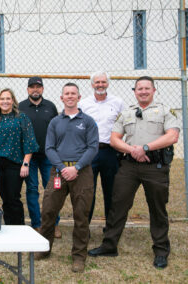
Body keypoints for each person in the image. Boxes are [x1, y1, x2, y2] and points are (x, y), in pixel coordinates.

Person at [88, 76, 180, 269]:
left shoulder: (164, 111)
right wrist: (134, 151)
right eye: (140, 89)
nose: (143, 91)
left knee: (157, 209)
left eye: (147, 88)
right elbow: (114, 139)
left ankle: (161, 251)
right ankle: (109, 245)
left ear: (154, 90)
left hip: (155, 167)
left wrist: (145, 147)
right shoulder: (127, 113)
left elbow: (172, 136)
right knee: (117, 205)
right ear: (135, 91)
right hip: (129, 166)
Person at [35, 83, 98, 273]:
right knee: (48, 211)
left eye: (73, 94)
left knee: (81, 214)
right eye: (66, 94)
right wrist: (62, 168)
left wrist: (77, 167)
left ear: (79, 98)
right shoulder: (55, 122)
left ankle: (79, 256)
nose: (70, 96)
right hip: (59, 172)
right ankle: (44, 249)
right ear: (61, 98)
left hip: (82, 172)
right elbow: (49, 148)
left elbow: (93, 147)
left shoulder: (88, 121)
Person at [0, 88, 39, 225]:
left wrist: (25, 163)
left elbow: (29, 141)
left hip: (15, 163)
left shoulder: (21, 118)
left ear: (13, 101)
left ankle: (19, 229)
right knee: (4, 199)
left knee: (13, 198)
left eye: (8, 98)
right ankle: (9, 227)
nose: (5, 101)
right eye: (2, 99)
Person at [79, 71, 124, 224]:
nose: (100, 85)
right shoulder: (84, 104)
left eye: (103, 82)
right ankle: (85, 228)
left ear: (108, 84)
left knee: (111, 191)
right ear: (92, 85)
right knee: (88, 191)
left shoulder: (117, 102)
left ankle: (110, 228)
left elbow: (123, 125)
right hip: (90, 152)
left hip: (110, 151)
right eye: (97, 82)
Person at [19, 76, 61, 235]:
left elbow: (57, 129)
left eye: (38, 87)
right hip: (29, 157)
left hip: (49, 156)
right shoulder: (21, 107)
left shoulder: (50, 106)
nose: (35, 90)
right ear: (28, 89)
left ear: (42, 89)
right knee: (32, 189)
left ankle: (54, 223)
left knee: (53, 189)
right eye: (32, 87)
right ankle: (36, 224)